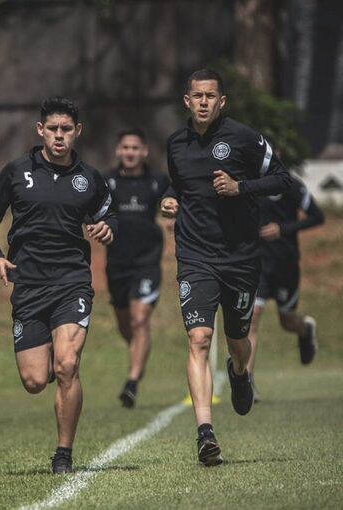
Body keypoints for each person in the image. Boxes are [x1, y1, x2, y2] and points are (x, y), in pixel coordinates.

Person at [0, 96, 117, 474]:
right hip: (29, 285)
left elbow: (109, 212)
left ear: (77, 132)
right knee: (35, 379)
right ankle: (54, 366)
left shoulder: (89, 178)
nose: (59, 136)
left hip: (72, 282)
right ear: (40, 130)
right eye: (52, 129)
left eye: (66, 129)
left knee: (68, 364)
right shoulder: (16, 171)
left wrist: (108, 227)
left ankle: (63, 454)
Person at [160, 69, 293, 466]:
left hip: (239, 258)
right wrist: (170, 200)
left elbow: (283, 179)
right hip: (195, 256)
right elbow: (179, 184)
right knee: (199, 338)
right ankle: (205, 434)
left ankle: (239, 373)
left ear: (222, 102)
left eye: (210, 96)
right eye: (197, 96)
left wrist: (241, 188)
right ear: (187, 101)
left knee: (237, 340)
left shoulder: (245, 138)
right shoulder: (176, 144)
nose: (203, 102)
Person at [104, 129, 170, 408]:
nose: (130, 152)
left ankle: (131, 382)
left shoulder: (157, 181)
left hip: (147, 262)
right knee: (126, 323)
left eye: (135, 148)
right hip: (117, 263)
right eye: (125, 147)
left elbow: (175, 203)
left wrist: (173, 215)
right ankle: (139, 354)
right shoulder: (106, 181)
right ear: (118, 151)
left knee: (139, 319)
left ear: (144, 151)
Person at [247, 175, 324, 400]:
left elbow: (317, 217)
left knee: (287, 320)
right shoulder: (249, 185)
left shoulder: (293, 186)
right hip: (258, 262)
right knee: (252, 318)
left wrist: (284, 228)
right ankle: (247, 384)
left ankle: (305, 329)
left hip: (286, 264)